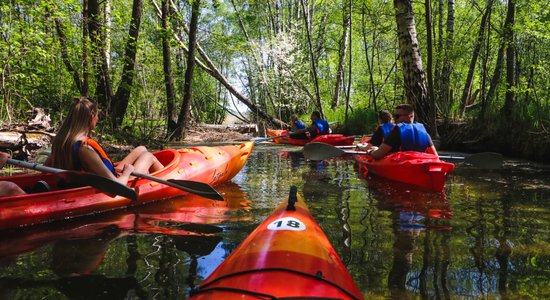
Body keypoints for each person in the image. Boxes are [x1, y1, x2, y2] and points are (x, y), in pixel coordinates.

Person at [48, 97, 164, 185]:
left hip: (104, 176)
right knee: (148, 156)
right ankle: (167, 183)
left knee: (141, 149)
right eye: (97, 115)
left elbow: (46, 168)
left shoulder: (62, 141)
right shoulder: (85, 149)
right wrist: (127, 172)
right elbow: (116, 186)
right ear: (91, 116)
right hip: (119, 182)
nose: (98, 119)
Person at [367, 104, 438, 160]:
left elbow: (377, 155)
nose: (394, 118)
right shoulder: (425, 134)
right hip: (419, 165)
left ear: (410, 116)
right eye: (394, 116)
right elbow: (435, 157)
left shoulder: (395, 132)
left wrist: (372, 151)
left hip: (400, 166)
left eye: (397, 116)